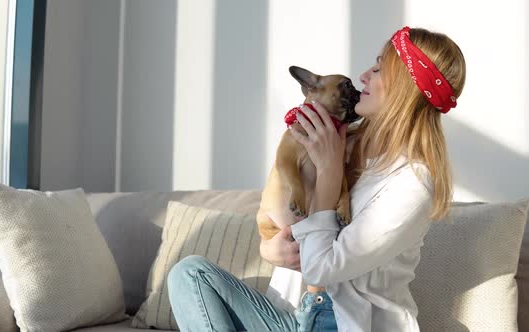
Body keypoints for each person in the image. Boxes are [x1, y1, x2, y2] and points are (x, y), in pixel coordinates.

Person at [167, 26, 466, 332]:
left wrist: (329, 173)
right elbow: (282, 207)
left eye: (378, 68)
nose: (364, 75)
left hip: (346, 323)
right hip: (297, 316)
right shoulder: (337, 141)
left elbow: (322, 270)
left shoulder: (411, 184)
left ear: (404, 86)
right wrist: (269, 249)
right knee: (190, 274)